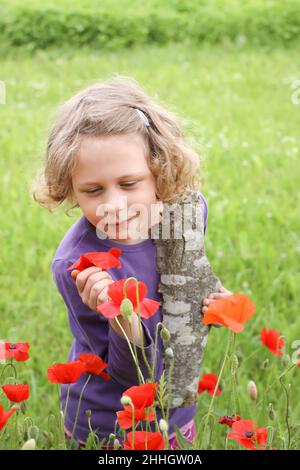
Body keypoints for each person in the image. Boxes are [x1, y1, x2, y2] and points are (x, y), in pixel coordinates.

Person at [32, 76, 232, 450]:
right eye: (93, 190)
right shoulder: (79, 267)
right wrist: (124, 320)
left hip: (177, 411)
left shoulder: (187, 213)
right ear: (71, 189)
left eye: (129, 184)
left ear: (160, 169)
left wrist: (214, 297)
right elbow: (127, 376)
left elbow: (190, 278)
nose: (114, 205)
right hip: (111, 424)